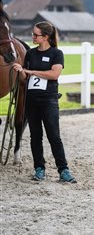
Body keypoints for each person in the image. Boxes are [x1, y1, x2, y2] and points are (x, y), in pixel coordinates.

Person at [12, 21, 76, 183]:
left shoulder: (56, 53)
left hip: (49, 100)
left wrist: (31, 71)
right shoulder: (30, 54)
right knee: (35, 136)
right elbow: (24, 78)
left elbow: (54, 74)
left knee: (54, 136)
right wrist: (20, 71)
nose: (32, 37)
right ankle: (39, 168)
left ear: (45, 37)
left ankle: (63, 170)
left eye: (36, 35)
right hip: (31, 101)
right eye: (33, 34)